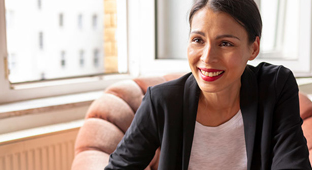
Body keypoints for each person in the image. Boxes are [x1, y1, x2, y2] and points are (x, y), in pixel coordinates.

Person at [105, 0, 312, 169]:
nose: (207, 57)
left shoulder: (275, 87)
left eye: (225, 43)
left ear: (253, 48)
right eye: (198, 40)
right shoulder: (162, 101)